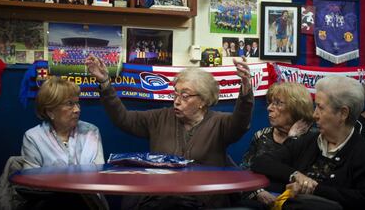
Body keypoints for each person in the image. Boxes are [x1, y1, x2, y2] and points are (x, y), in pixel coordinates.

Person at [85, 55, 254, 208]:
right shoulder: (160, 118)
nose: (177, 101)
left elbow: (240, 123)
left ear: (203, 100)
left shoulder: (220, 122)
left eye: (185, 96)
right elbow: (123, 119)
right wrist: (105, 84)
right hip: (160, 198)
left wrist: (246, 90)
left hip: (203, 200)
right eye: (176, 94)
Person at [251, 76, 365, 210]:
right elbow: (260, 162)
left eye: (320, 108)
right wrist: (296, 176)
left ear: (343, 113)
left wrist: (314, 189)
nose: (314, 115)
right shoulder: (308, 141)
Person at [20, 76, 107, 209]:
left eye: (77, 103)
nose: (77, 110)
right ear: (50, 111)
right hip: (49, 203)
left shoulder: (91, 132)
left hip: (88, 202)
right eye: (70, 104)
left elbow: (98, 173)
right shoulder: (33, 137)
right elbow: (31, 182)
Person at [239, 82, 314, 209]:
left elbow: (295, 174)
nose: (269, 108)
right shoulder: (262, 136)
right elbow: (244, 171)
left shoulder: (312, 139)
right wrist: (257, 192)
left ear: (296, 108)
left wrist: (292, 138)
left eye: (278, 103)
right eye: (270, 102)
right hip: (258, 201)